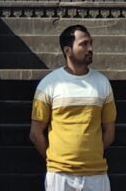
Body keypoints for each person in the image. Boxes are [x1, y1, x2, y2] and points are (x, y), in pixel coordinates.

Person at [29, 22, 115, 191]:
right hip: (60, 175)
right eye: (83, 44)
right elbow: (35, 133)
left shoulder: (102, 83)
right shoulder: (48, 84)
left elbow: (109, 131)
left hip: (96, 174)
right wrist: (56, 159)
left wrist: (90, 155)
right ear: (67, 50)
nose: (90, 48)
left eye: (91, 43)